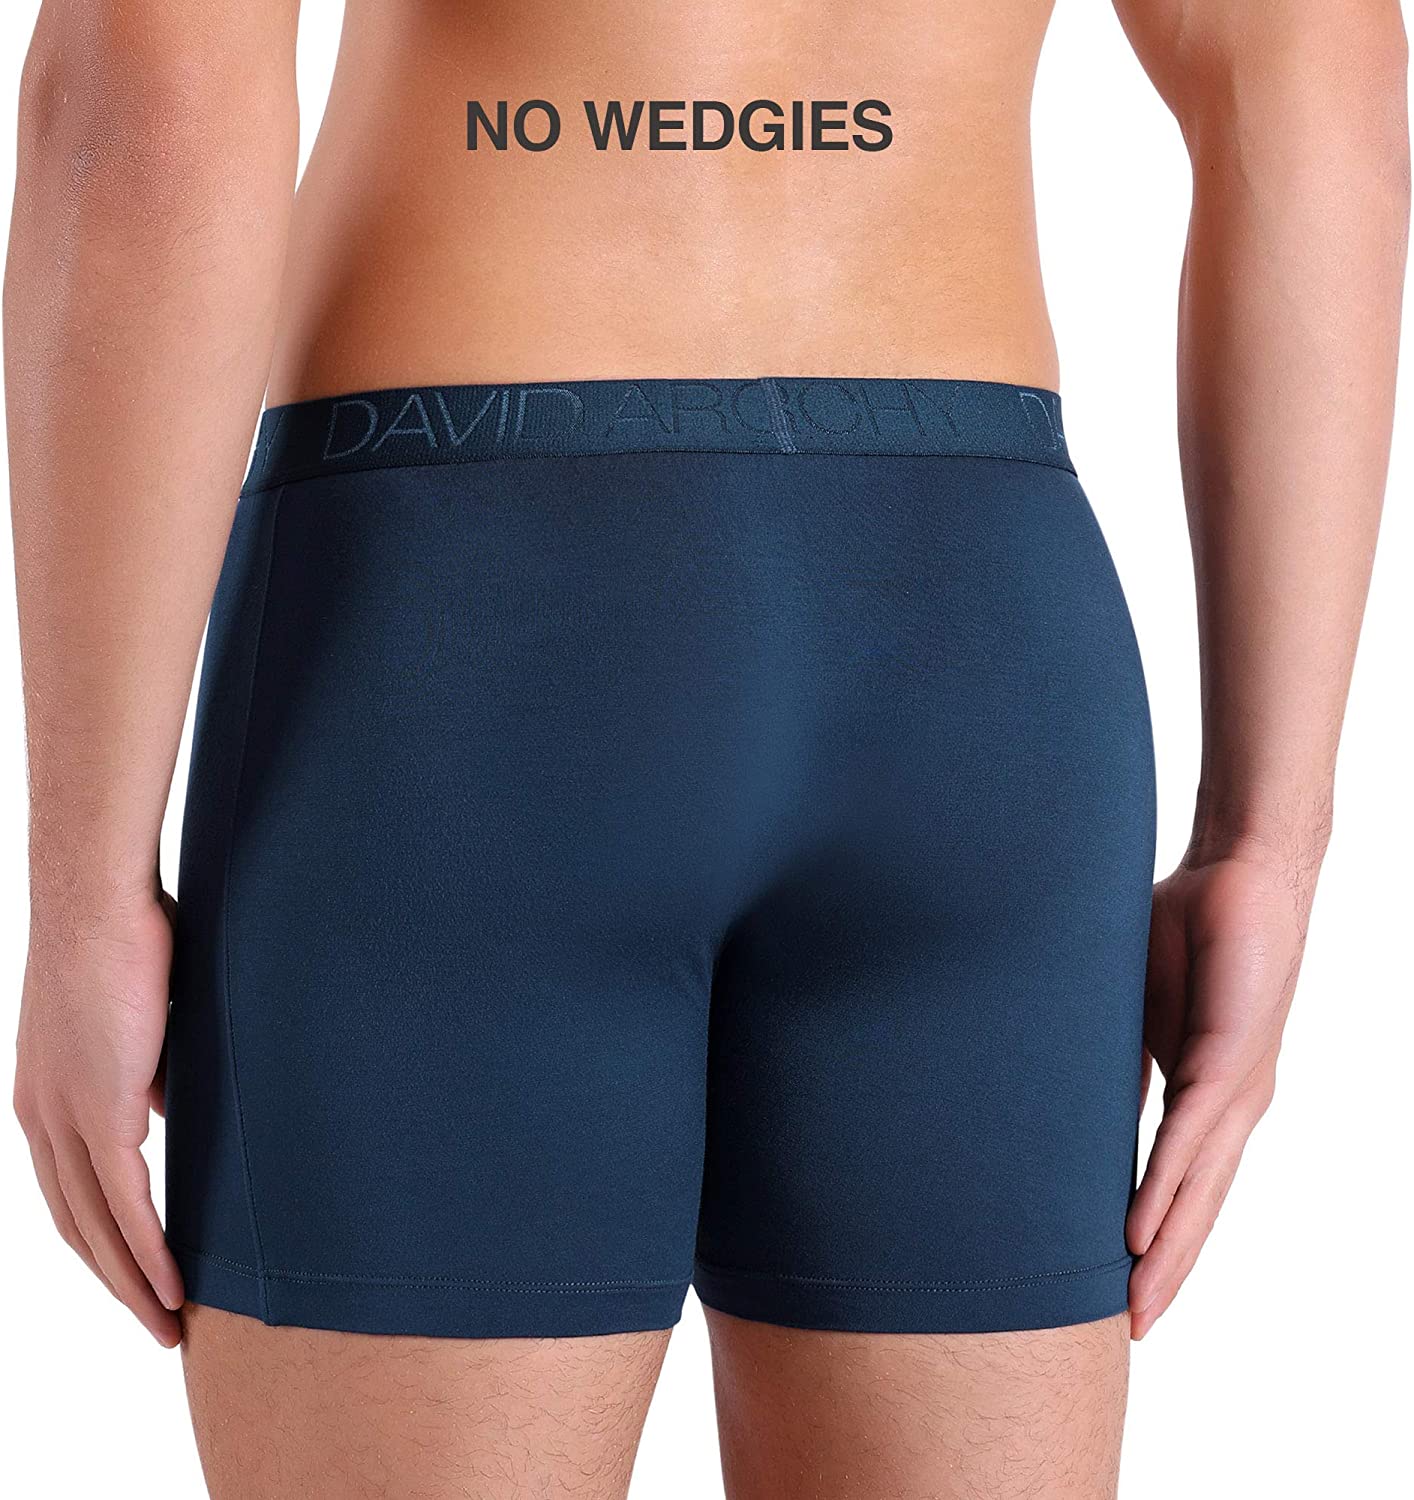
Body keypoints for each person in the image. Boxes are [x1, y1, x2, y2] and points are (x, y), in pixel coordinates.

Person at [6, 0, 1406, 1495]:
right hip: (973, 644)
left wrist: (86, 884)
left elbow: (152, 102)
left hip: (460, 635)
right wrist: (1268, 835)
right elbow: (1321, 72)